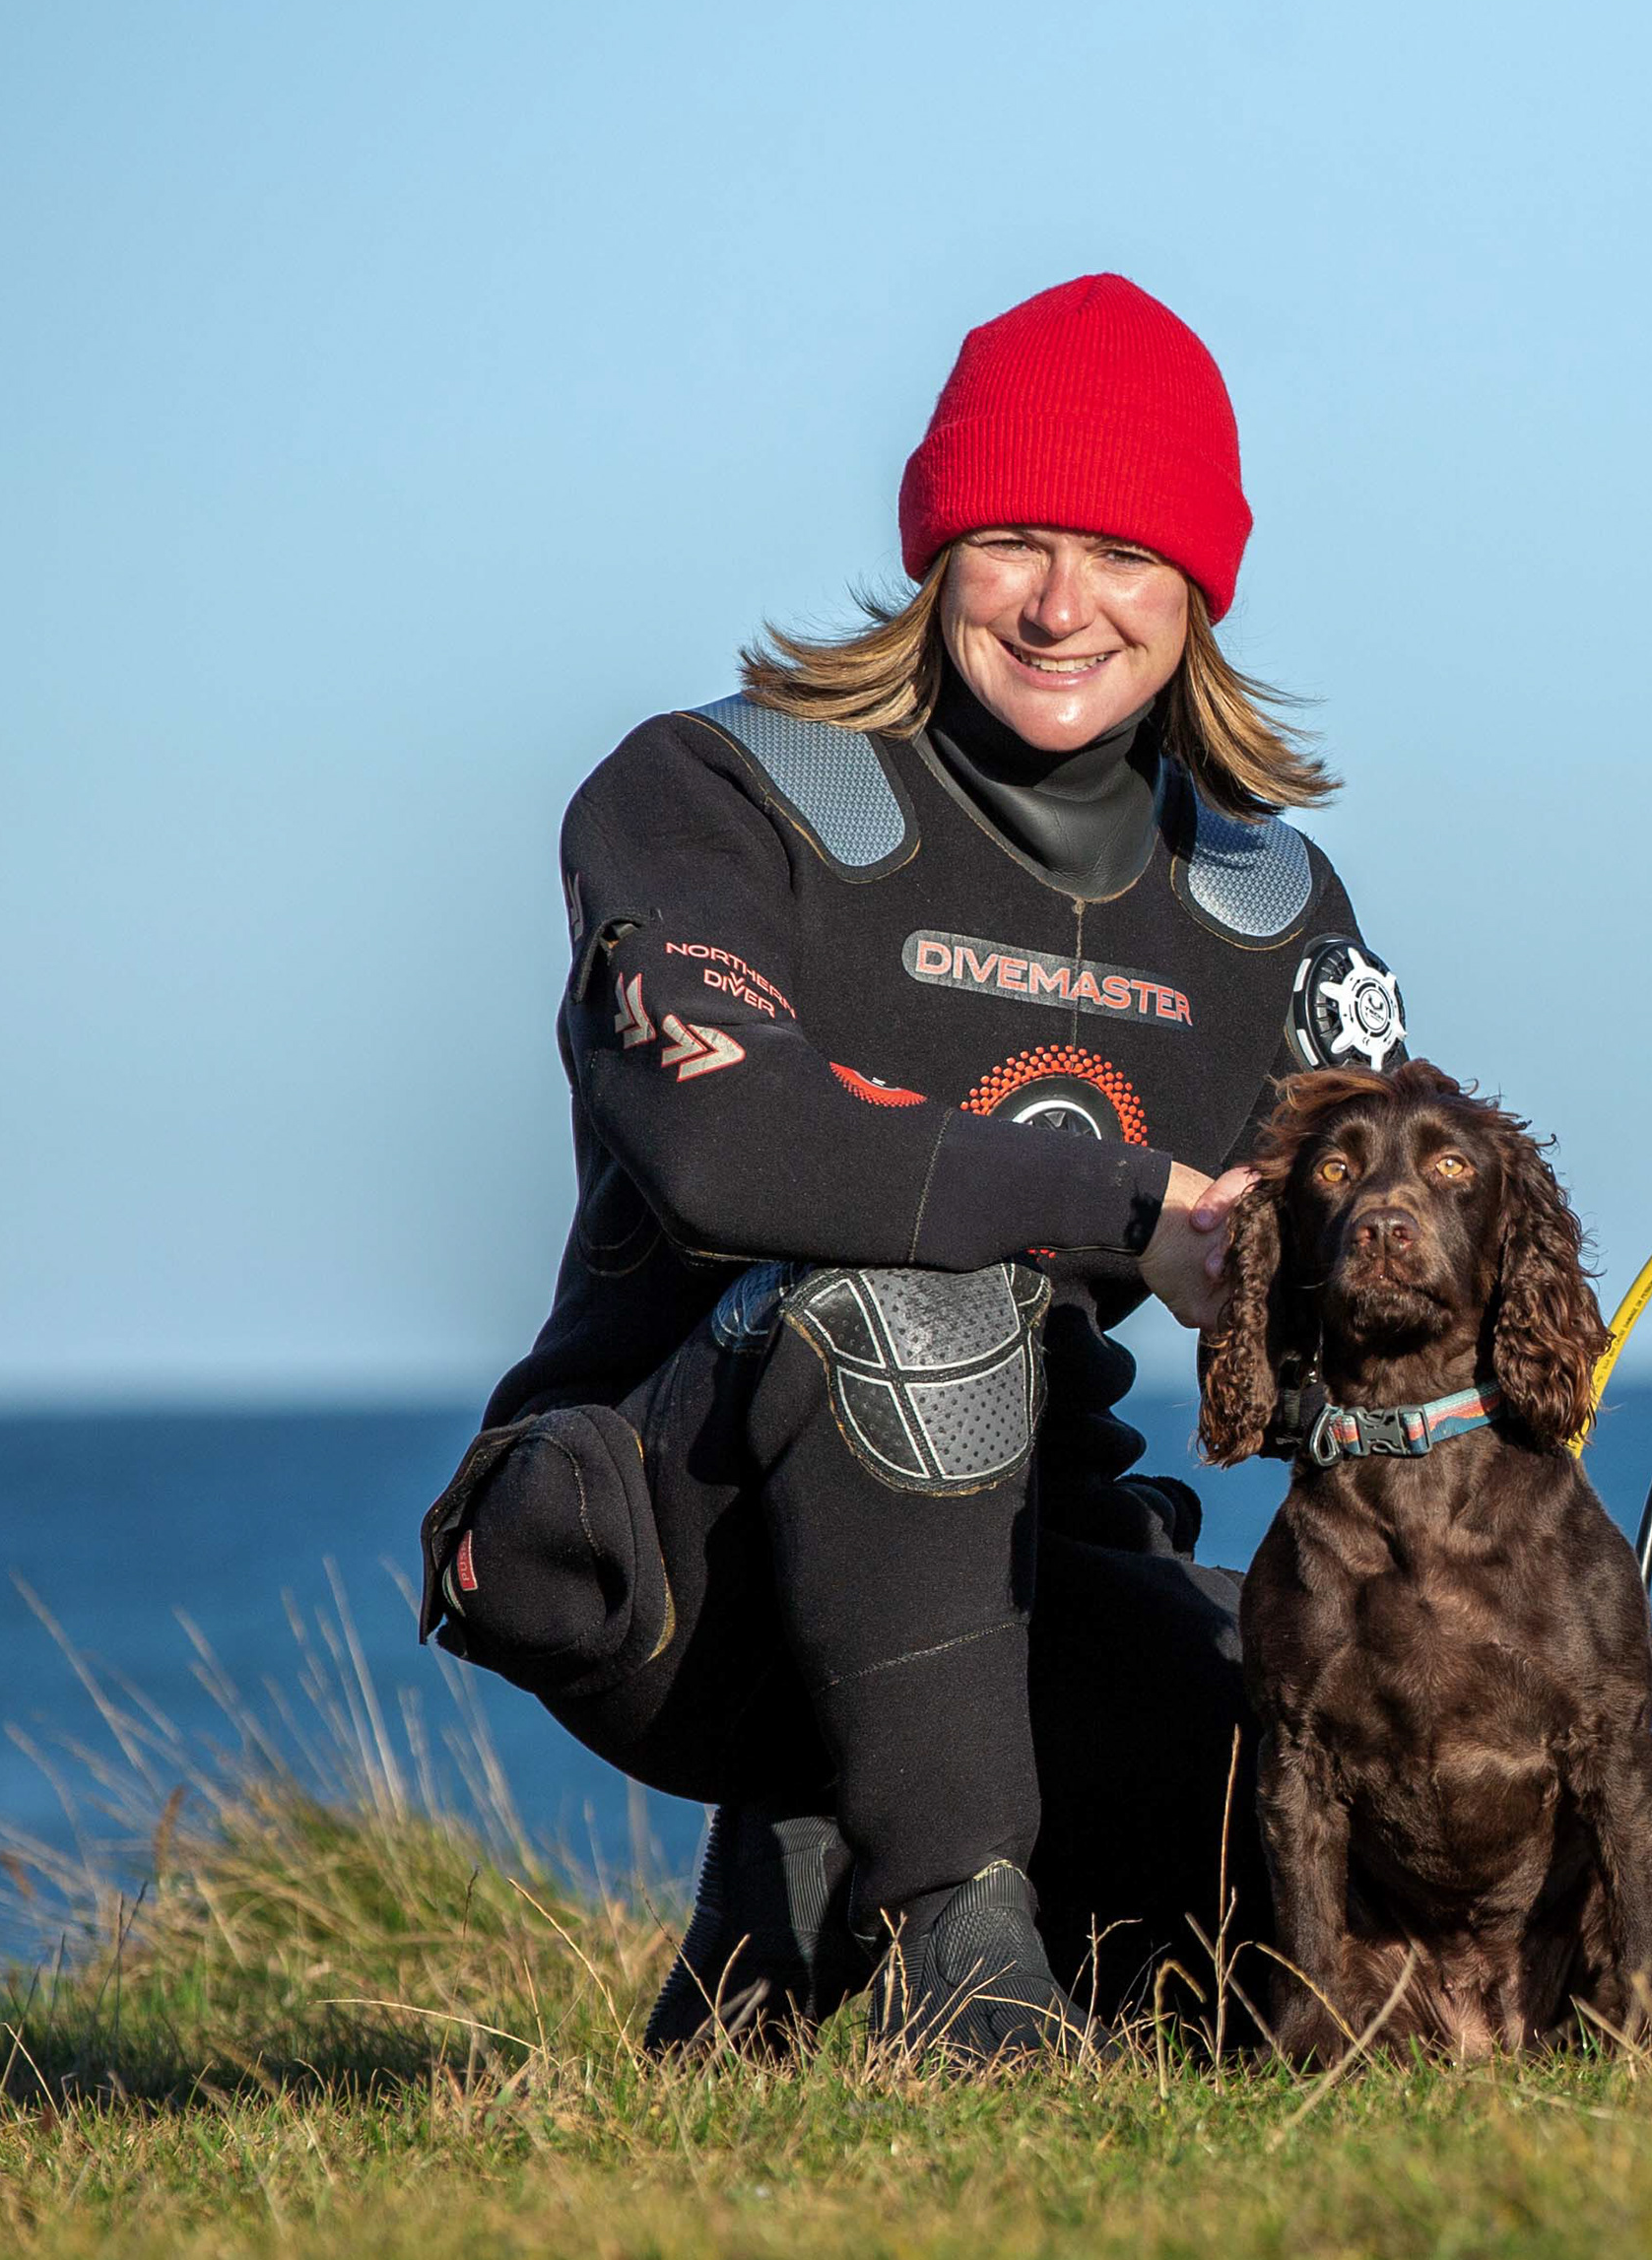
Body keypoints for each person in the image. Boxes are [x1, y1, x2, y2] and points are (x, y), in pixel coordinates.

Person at [421, 274, 1407, 2061]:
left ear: (1199, 585)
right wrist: (1129, 1208)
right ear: (933, 551)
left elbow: (1391, 1260)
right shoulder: (717, 795)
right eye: (1013, 539)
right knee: (908, 1311)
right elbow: (727, 1145)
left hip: (1033, 1569)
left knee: (1322, 1841)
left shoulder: (1269, 911)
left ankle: (784, 1928)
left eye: (1121, 551)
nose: (1059, 604)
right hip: (659, 1538)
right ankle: (964, 1976)